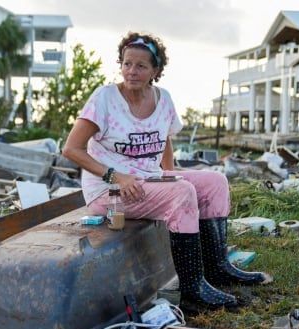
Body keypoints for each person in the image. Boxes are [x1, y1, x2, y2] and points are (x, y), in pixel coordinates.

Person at [62, 31, 272, 309]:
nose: (131, 71)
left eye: (141, 66)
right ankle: (193, 290)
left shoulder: (164, 99)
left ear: (155, 70)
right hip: (110, 191)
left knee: (215, 181)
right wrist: (116, 176)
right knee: (181, 192)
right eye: (126, 64)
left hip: (149, 179)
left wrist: (170, 175)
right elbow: (71, 149)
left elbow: (165, 140)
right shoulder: (104, 99)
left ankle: (217, 268)